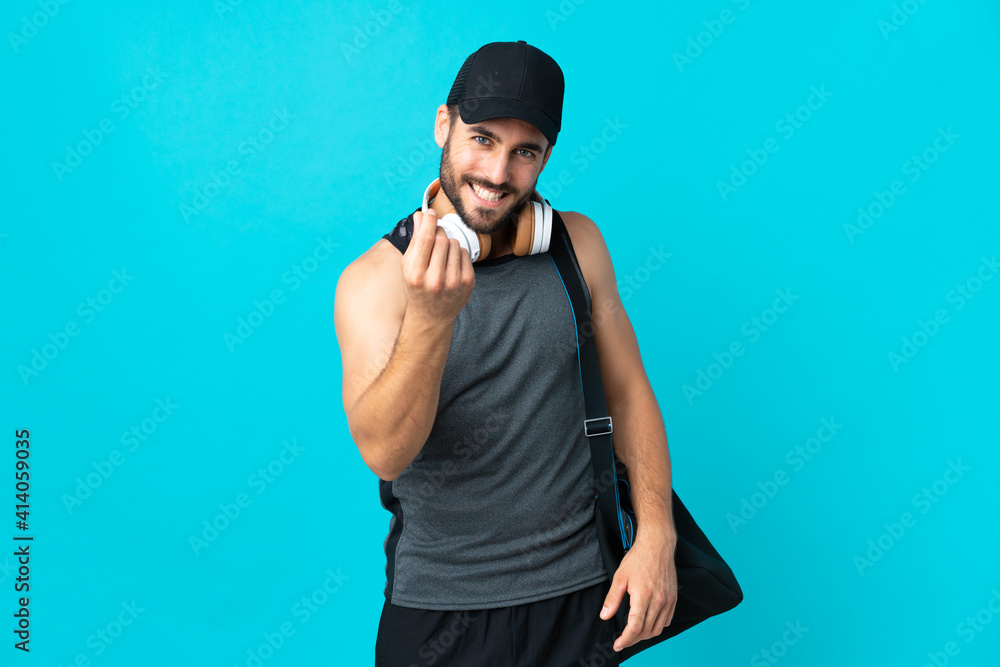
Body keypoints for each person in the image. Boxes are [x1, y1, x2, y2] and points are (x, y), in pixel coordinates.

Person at [334, 40, 679, 667]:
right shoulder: (374, 282)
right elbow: (385, 452)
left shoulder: (578, 246)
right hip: (440, 614)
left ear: (547, 155)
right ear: (443, 125)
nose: (497, 174)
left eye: (525, 152)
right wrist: (432, 319)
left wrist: (657, 533)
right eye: (482, 139)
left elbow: (628, 392)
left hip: (583, 600)